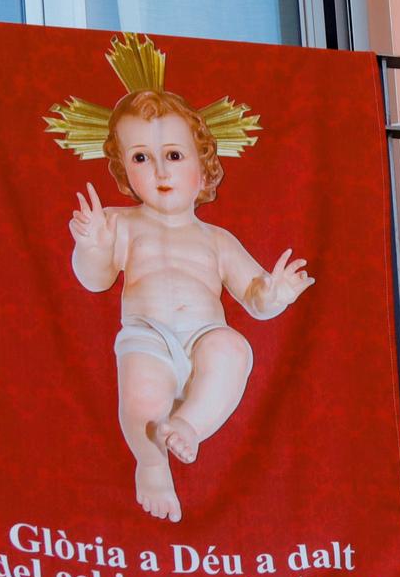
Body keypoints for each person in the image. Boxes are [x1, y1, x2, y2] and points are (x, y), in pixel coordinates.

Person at [67, 88, 313, 523]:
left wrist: (274, 294)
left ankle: (188, 427)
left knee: (233, 350)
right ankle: (152, 462)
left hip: (203, 336)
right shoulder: (120, 223)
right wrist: (91, 246)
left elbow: (253, 296)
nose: (160, 170)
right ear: (124, 170)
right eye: (141, 157)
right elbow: (96, 279)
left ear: (204, 170)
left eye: (175, 156)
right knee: (142, 393)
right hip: (148, 334)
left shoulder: (217, 240)